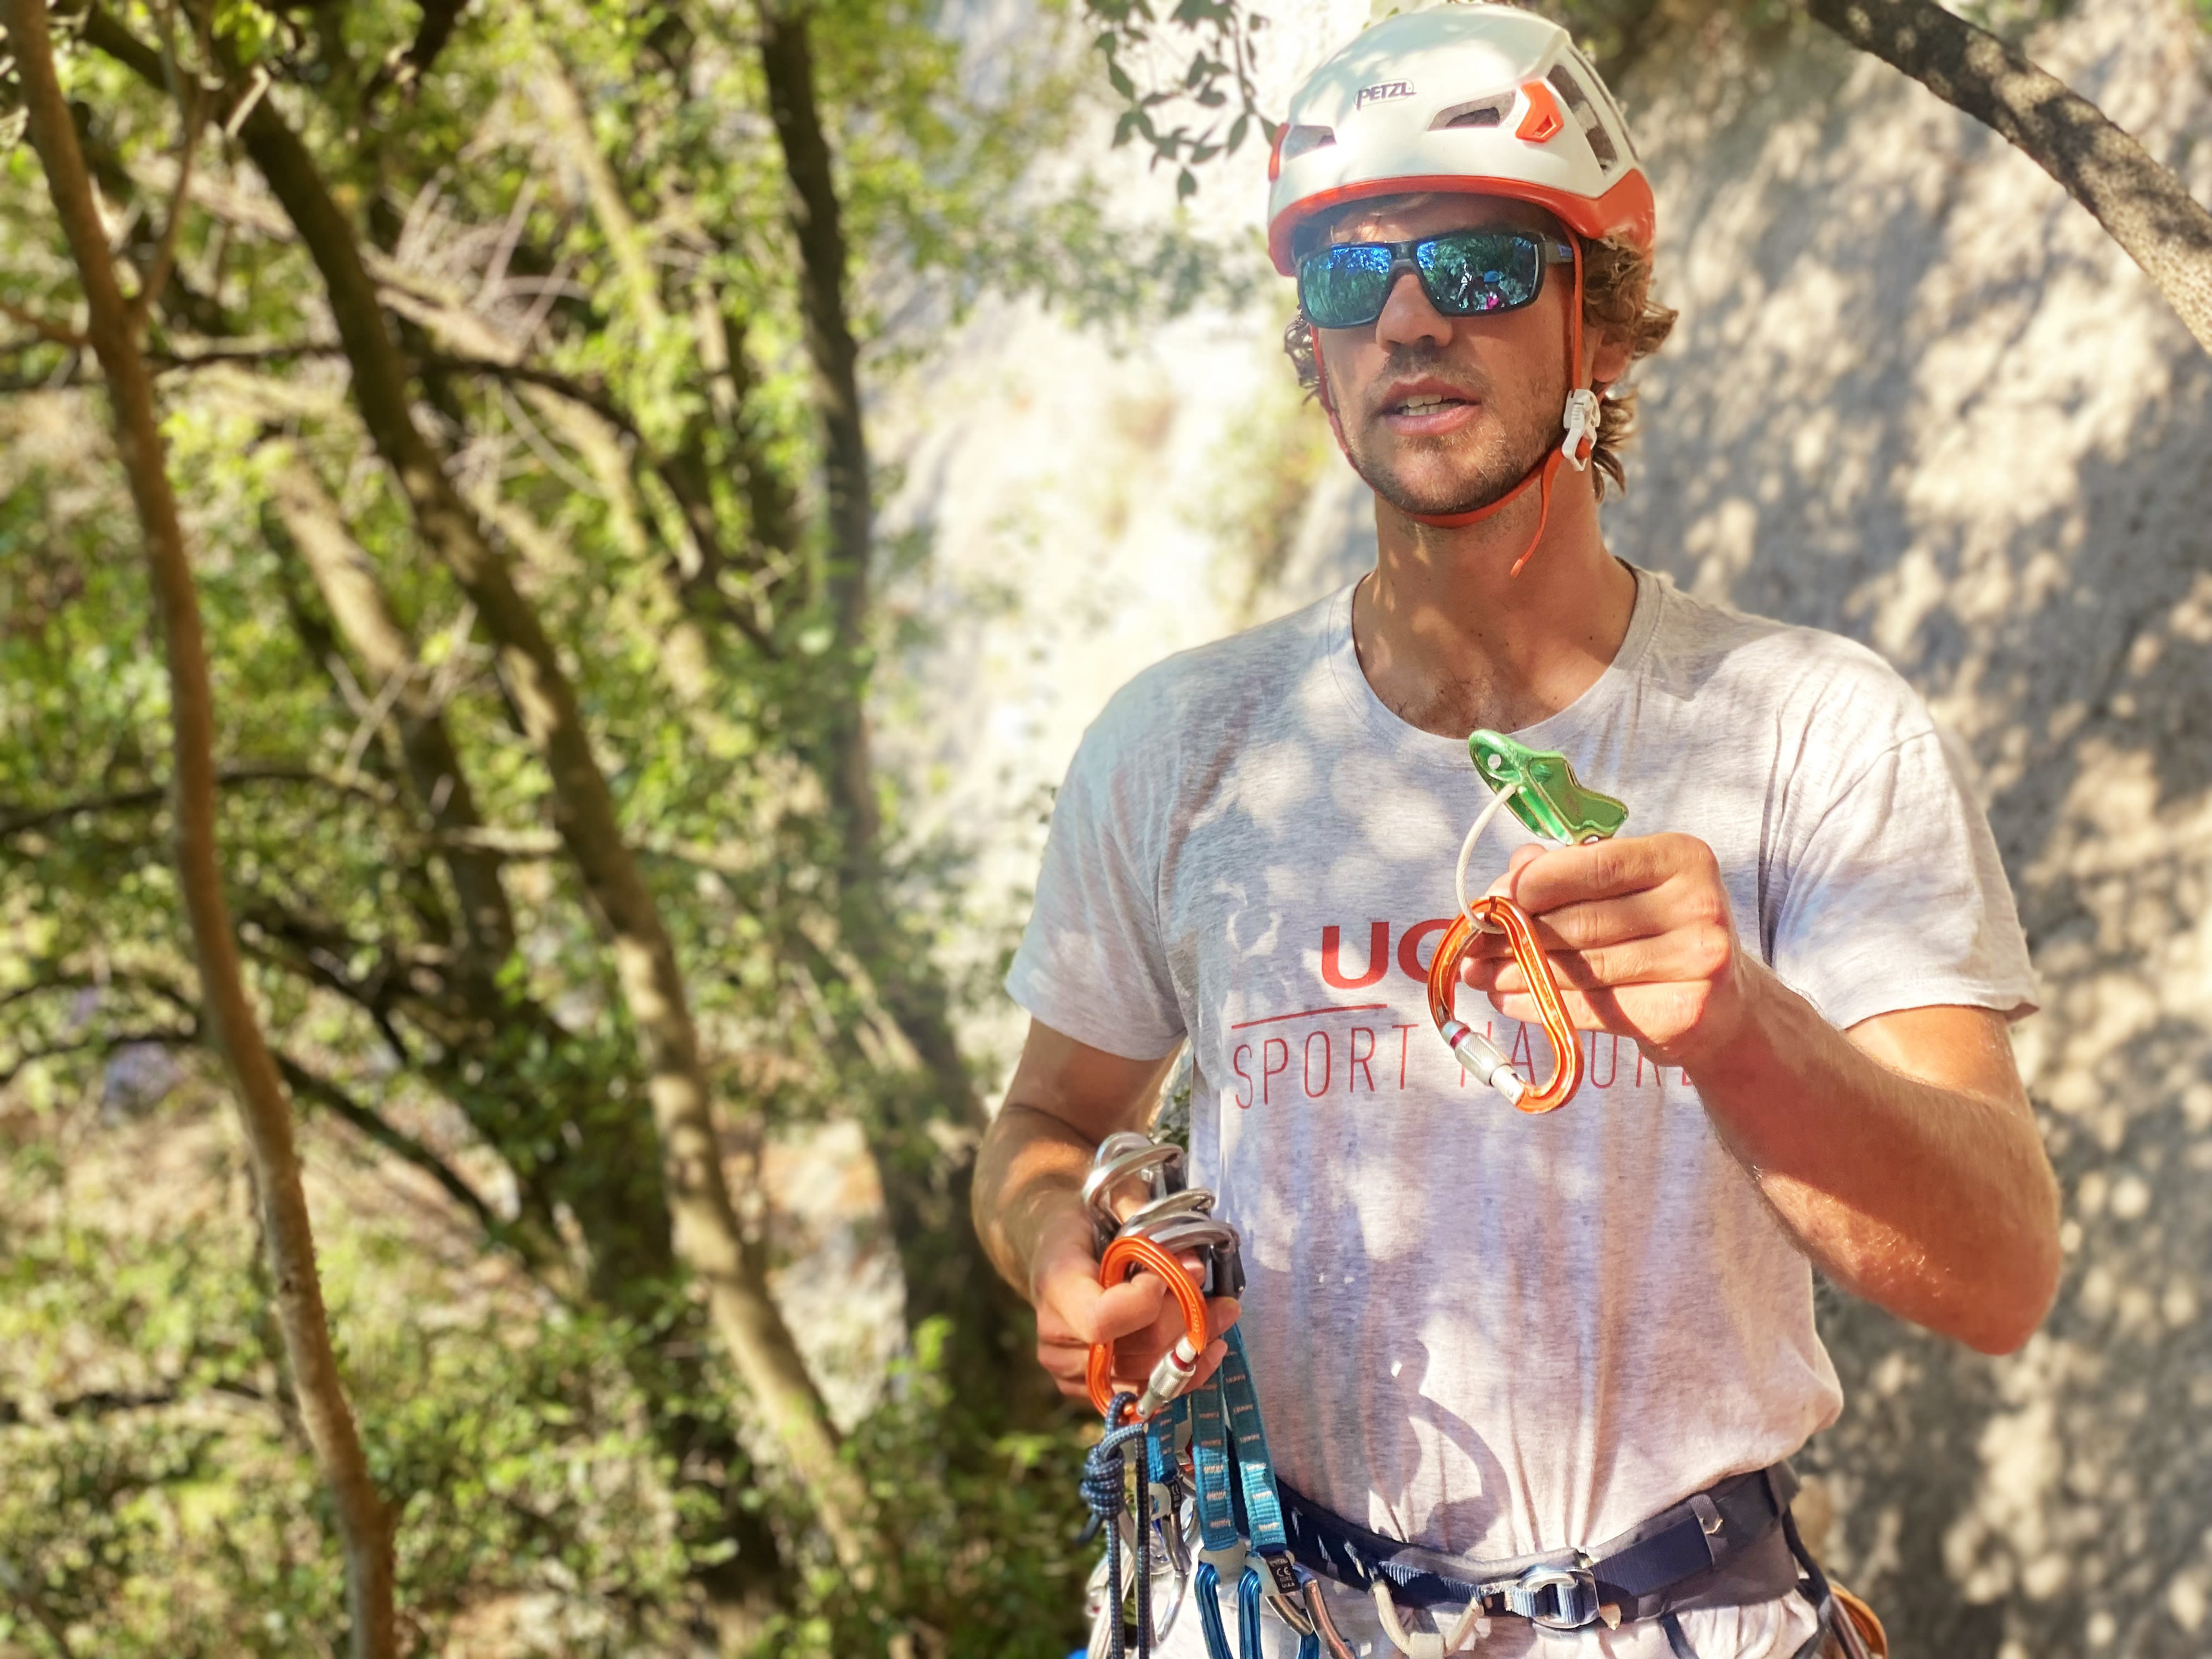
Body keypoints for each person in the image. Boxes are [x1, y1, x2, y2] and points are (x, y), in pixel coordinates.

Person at [972, 5, 2062, 1654]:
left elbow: (2000, 1272)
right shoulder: (1183, 749)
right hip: (1272, 1610)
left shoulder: (1812, 731)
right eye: (1351, 274)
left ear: (1601, 326)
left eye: (1478, 265)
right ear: (1316, 360)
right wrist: (1060, 1240)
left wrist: (1743, 1033)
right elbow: (1046, 1117)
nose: (1411, 315)